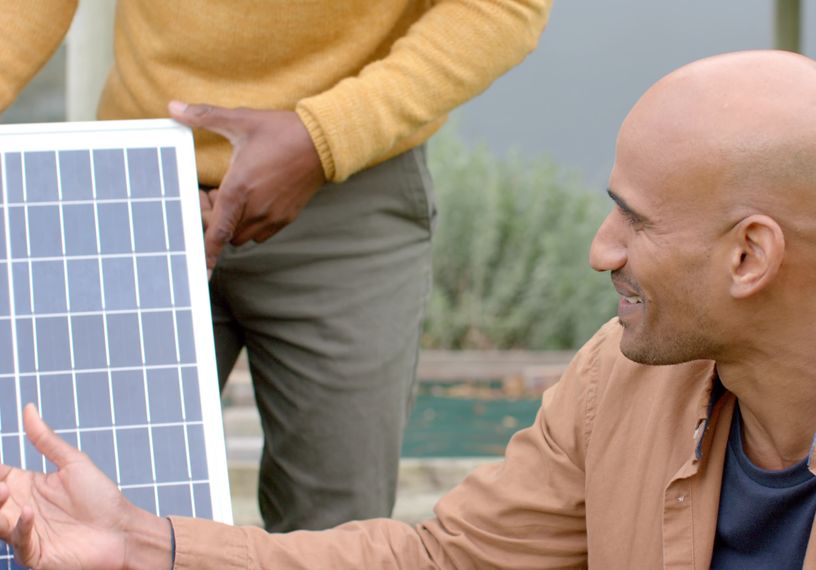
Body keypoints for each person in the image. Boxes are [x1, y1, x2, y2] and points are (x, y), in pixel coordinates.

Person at [2, 49, 816, 569]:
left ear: (751, 255)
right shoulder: (623, 380)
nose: (601, 249)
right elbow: (443, 564)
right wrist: (147, 545)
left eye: (633, 220)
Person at [0, 0, 552, 532]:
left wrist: (325, 137)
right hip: (140, 184)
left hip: (347, 193)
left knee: (333, 534)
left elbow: (500, 7)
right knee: (79, 512)